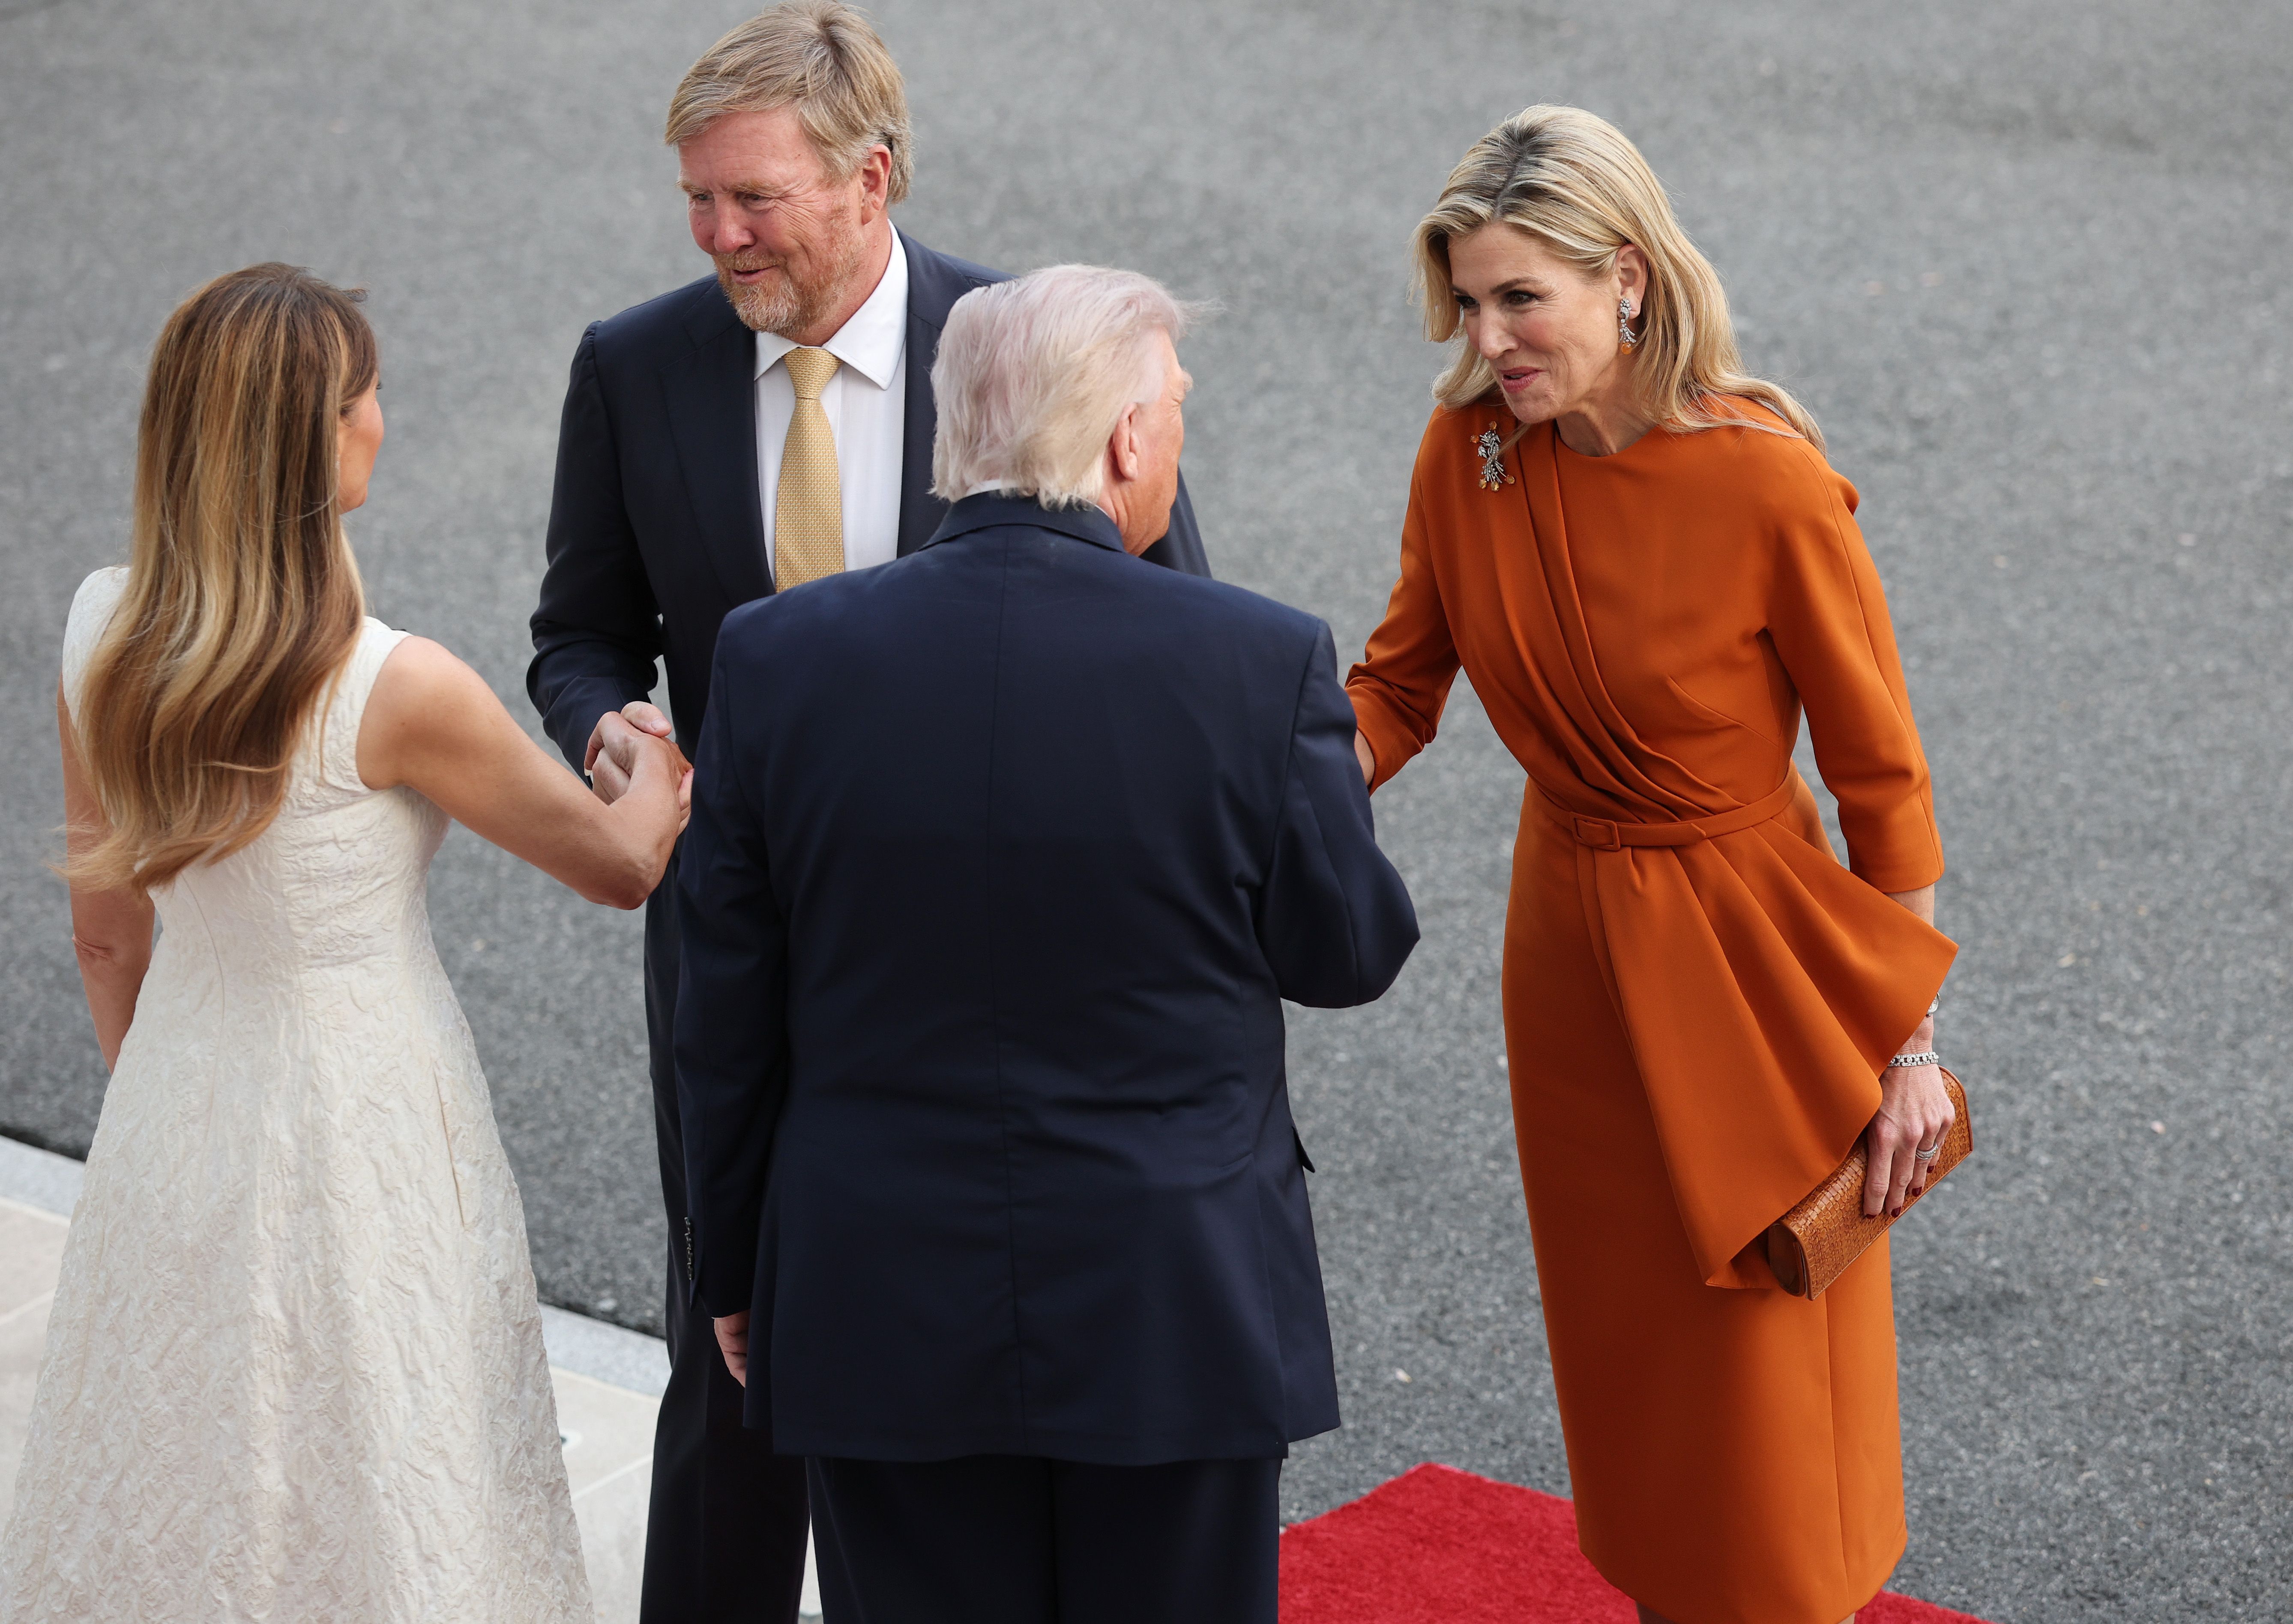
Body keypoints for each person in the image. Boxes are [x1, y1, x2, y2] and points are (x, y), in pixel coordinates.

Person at [523, 10, 1214, 1614]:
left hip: (996, 959)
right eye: (699, 200)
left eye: (754, 199)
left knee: (978, 1351)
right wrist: (610, 728)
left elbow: (1171, 620)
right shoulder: (637, 364)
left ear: (871, 179)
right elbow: (580, 631)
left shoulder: (1032, 341)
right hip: (738, 938)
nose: (720, 236)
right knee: (732, 1352)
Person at [672, 262, 1418, 1624]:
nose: (1176, 433)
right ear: (1128, 438)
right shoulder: (1255, 662)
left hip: (877, 1292)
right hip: (1172, 1303)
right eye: (1175, 407)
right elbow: (1348, 952)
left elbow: (724, 1013)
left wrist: (734, 1267)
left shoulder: (777, 658)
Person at [1344, 106, 1960, 1624]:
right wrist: (1219, 801)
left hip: (1756, 967)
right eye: (1469, 304)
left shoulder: (1766, 482)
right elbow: (1398, 687)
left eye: (1520, 299)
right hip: (1572, 957)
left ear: (1626, 278)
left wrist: (1908, 1047)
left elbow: (1883, 786)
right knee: (1635, 1372)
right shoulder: (1469, 453)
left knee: (1769, 1385)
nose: (1489, 342)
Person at [0, 263, 689, 1621]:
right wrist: (650, 756)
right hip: (365, 1117)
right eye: (365, 396)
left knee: (187, 1454)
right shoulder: (392, 686)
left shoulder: (100, 630)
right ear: (312, 439)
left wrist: (157, 1101)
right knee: (387, 1447)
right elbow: (617, 866)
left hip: (178, 1091)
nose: (382, 416)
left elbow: (106, 936)